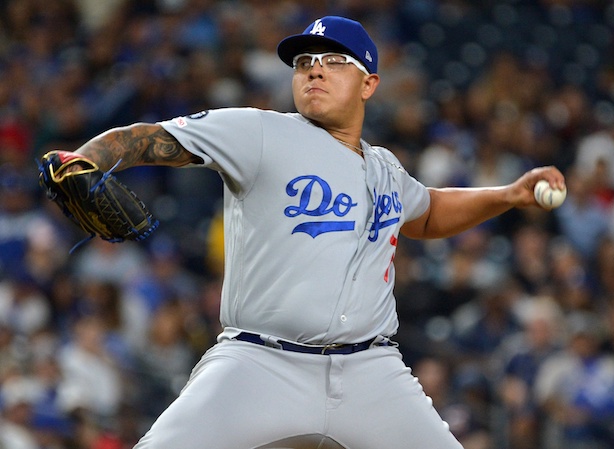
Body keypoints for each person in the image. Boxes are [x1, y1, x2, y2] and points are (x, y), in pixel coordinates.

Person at [55, 15, 565, 449]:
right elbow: (148, 138)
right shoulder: (260, 132)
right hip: (259, 362)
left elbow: (428, 212)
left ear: (369, 84)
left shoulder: (385, 166)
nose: (314, 68)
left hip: (372, 370)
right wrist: (86, 159)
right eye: (304, 62)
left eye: (335, 60)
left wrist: (509, 195)